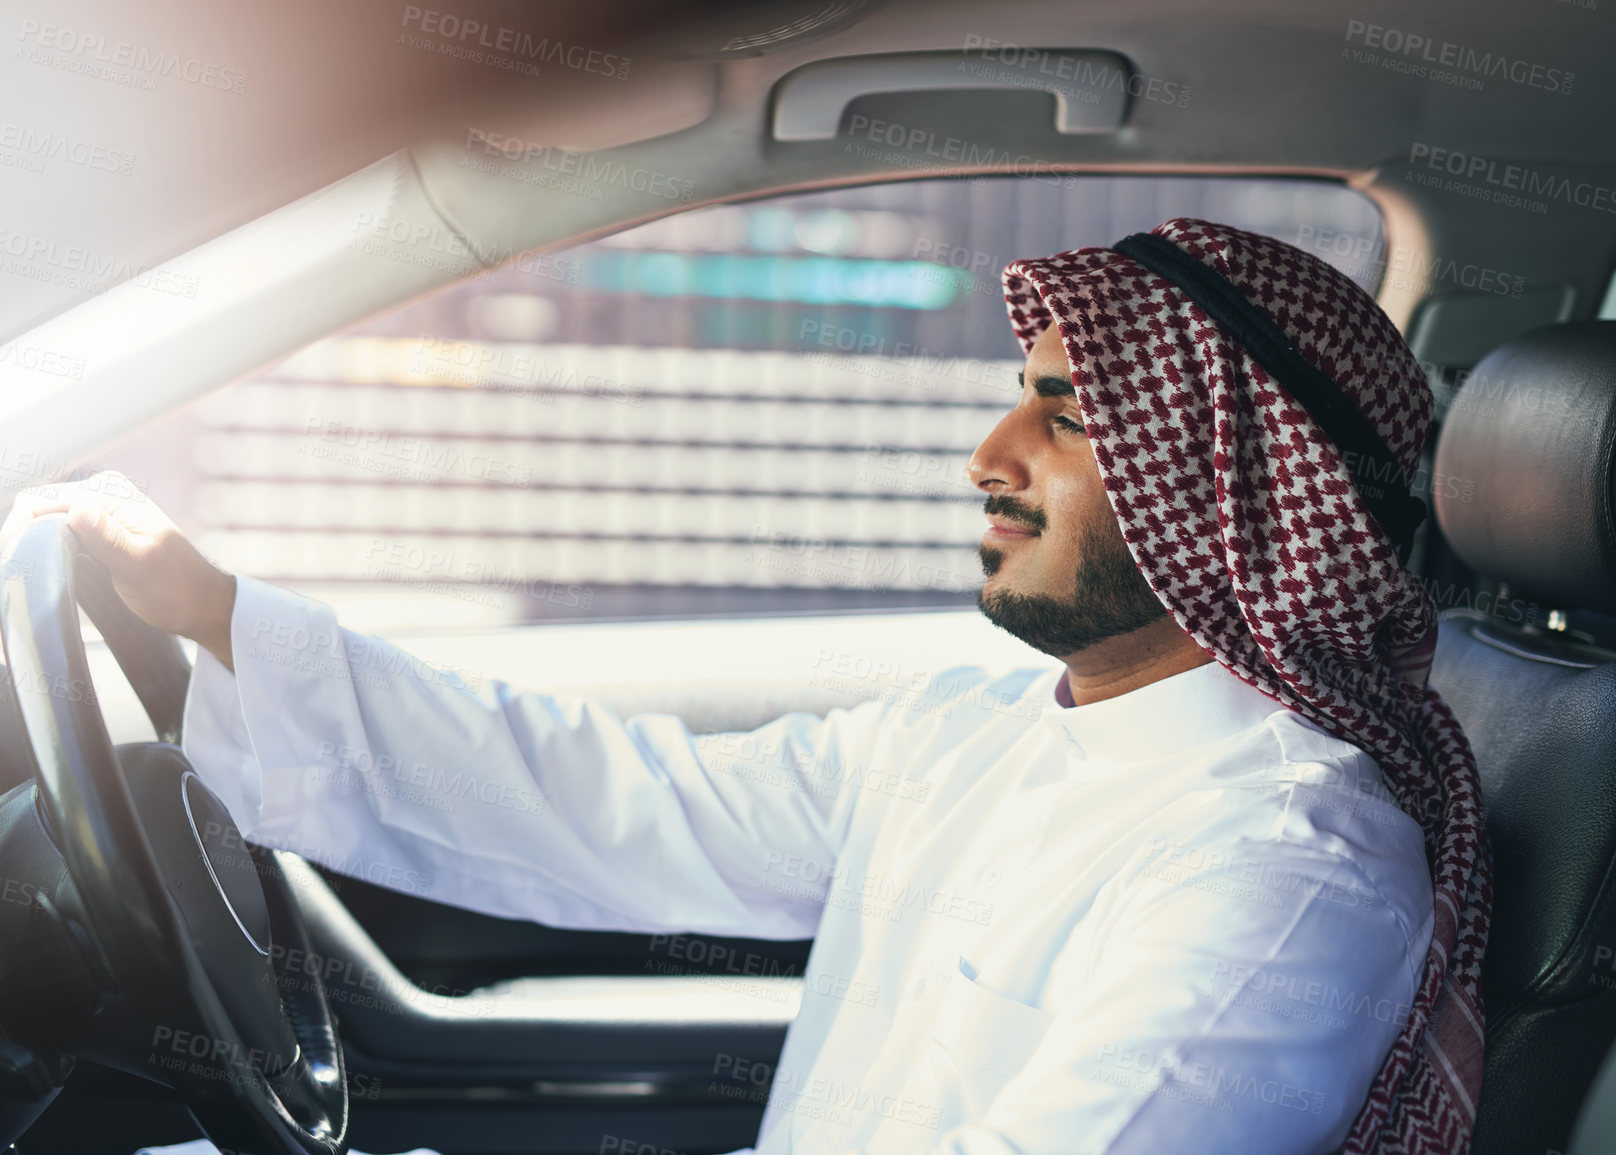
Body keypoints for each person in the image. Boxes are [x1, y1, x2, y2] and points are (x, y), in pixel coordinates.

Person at [10, 218, 1489, 1155]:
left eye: (1065, 416)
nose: (990, 454)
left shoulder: (1287, 874)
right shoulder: (972, 737)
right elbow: (613, 802)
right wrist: (213, 612)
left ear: (1216, 483)